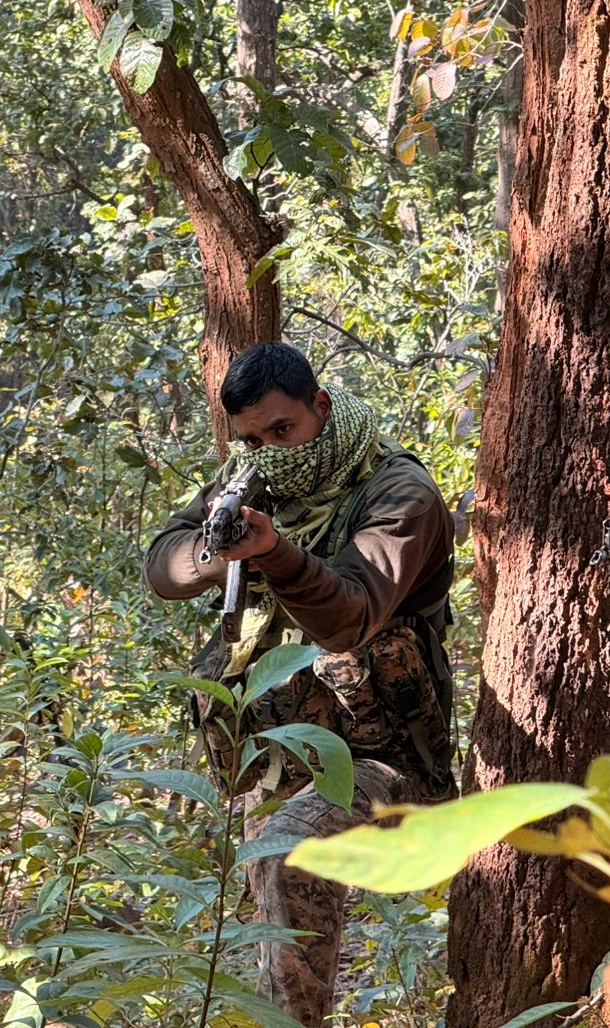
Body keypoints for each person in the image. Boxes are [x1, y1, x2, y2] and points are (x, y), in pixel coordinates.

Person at [145, 342, 456, 1026]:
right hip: (288, 755)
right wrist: (211, 551)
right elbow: (162, 565)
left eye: (281, 430)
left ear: (320, 405)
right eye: (253, 439)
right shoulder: (253, 480)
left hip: (389, 756)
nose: (269, 451)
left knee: (285, 853)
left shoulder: (400, 493)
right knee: (269, 899)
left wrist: (274, 553)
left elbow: (350, 615)